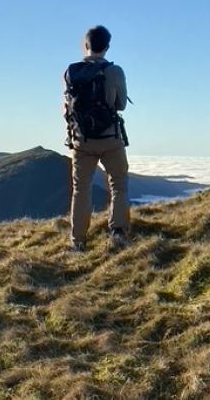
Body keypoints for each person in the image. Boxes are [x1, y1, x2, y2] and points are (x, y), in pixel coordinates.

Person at [63, 25, 130, 252]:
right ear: (107, 47)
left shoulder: (71, 72)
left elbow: (68, 105)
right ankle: (118, 233)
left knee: (81, 189)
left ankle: (78, 241)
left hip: (82, 140)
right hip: (110, 137)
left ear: (86, 45)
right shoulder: (115, 71)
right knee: (118, 185)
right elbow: (120, 105)